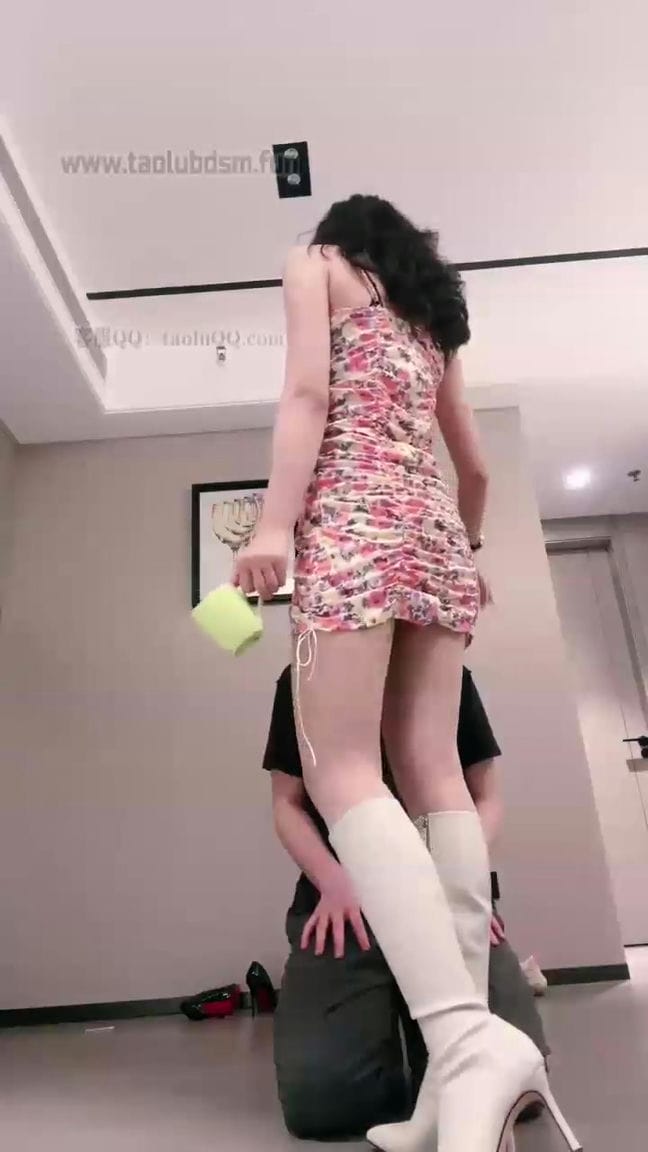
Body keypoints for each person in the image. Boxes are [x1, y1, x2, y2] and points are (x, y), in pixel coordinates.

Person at [234, 195, 578, 1152]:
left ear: (341, 237)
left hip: (352, 525)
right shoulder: (433, 320)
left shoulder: (316, 263)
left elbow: (307, 398)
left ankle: (463, 1045)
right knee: (434, 776)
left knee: (340, 773)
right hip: (434, 535)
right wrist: (464, 549)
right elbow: (475, 468)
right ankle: (456, 1075)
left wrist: (273, 526)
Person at [264, 664, 549, 1139]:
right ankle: (424, 1069)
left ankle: (446, 1071)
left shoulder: (447, 672)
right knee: (326, 1104)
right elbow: (286, 802)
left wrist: (464, 891)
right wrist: (333, 881)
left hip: (444, 888)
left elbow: (485, 796)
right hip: (347, 904)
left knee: (513, 1088)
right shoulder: (305, 674)